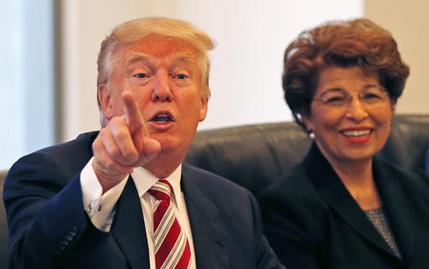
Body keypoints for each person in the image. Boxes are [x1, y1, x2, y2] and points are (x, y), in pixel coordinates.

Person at [4, 17, 283, 269]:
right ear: (106, 100)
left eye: (180, 76)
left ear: (203, 103)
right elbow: (29, 262)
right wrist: (104, 176)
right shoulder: (46, 174)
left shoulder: (234, 205)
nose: (163, 91)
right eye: (141, 75)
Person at [258, 18, 429, 269]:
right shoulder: (284, 210)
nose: (358, 113)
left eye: (371, 95)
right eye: (336, 99)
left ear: (391, 105)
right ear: (306, 115)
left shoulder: (419, 190)